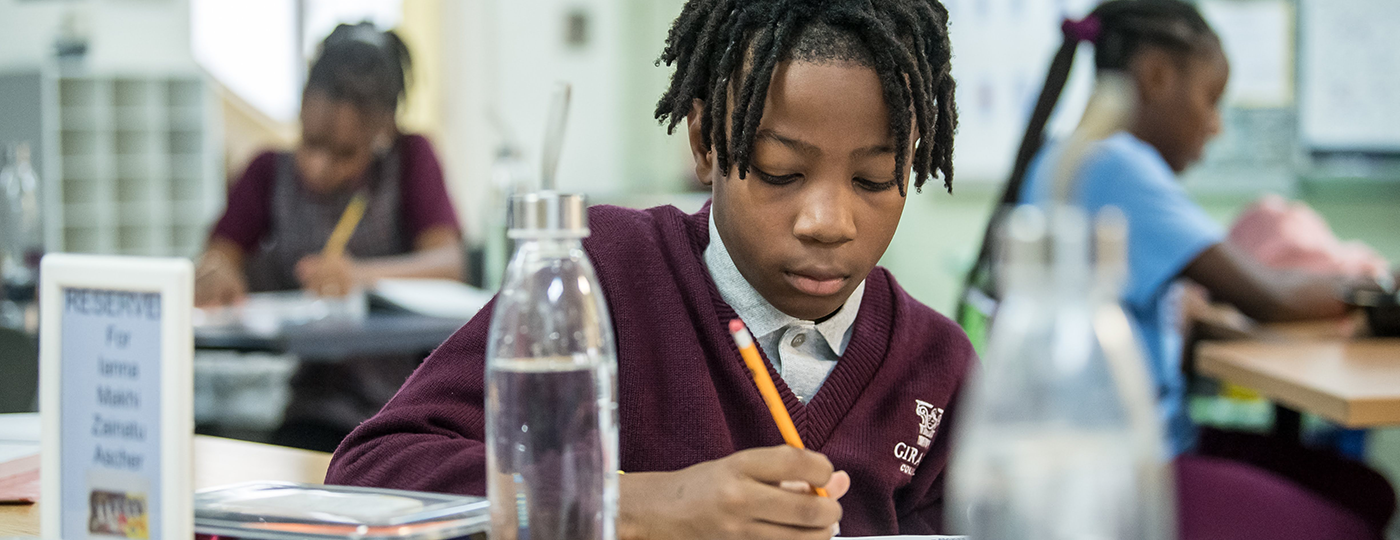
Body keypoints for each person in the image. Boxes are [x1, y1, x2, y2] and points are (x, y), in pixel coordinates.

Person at [326, 0, 972, 537]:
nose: (828, 221)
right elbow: (373, 471)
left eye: (874, 178)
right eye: (781, 172)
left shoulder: (936, 365)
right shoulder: (602, 275)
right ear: (704, 143)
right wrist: (634, 506)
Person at [984, 1, 1394, 537]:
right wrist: (1381, 289)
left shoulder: (1070, 156)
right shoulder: (1118, 164)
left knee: (1366, 489)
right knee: (1352, 518)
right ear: (1156, 75)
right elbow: (1269, 296)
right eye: (1210, 100)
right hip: (1133, 470)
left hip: (1121, 452)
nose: (1216, 126)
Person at [196, 22, 464, 452]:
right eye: (311, 142)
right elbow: (219, 254)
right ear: (301, 109)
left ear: (382, 133)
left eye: (343, 154)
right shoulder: (267, 172)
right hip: (311, 409)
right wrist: (218, 271)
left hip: (404, 407)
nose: (319, 167)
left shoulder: (411, 161)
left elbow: (448, 263)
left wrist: (359, 275)